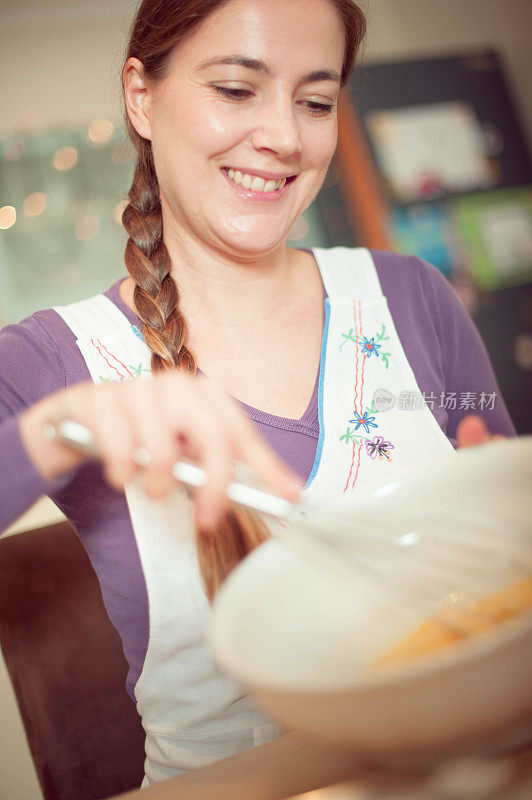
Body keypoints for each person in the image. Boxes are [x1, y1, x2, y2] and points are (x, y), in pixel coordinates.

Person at [0, 0, 516, 786]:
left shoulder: (411, 298)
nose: (283, 135)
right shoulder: (51, 360)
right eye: (237, 90)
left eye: (315, 101)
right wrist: (63, 426)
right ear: (142, 96)